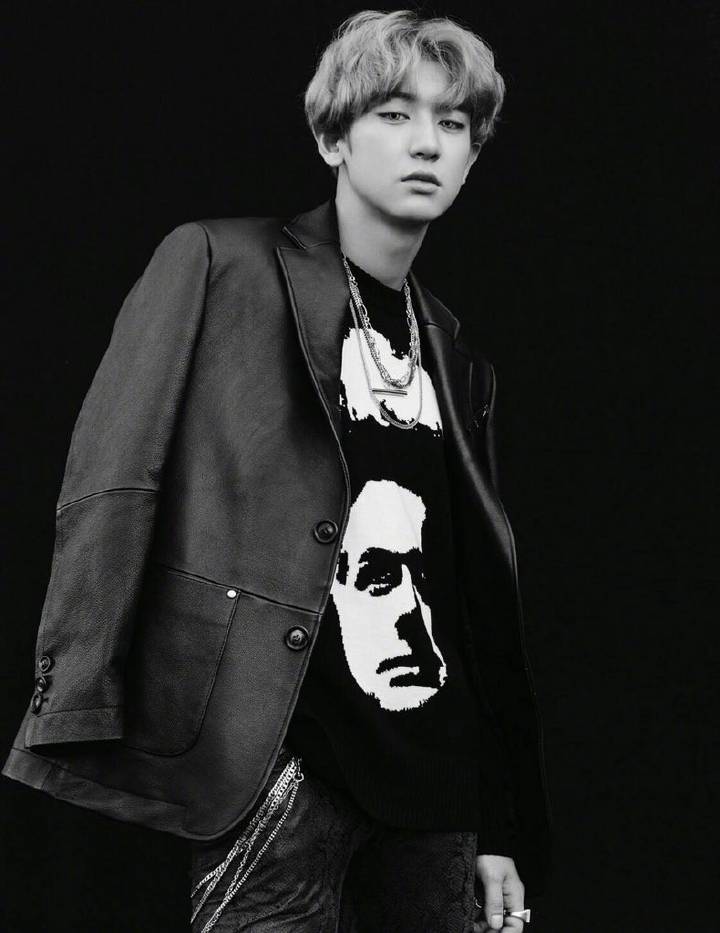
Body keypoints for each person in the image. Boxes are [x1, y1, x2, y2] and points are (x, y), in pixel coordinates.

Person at [2, 9, 553, 932]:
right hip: (277, 769)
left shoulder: (457, 358)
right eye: (393, 114)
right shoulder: (220, 265)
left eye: (453, 123)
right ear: (334, 138)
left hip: (435, 791)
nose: (427, 142)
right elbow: (114, 477)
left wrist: (498, 821)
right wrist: (78, 698)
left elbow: (472, 600)